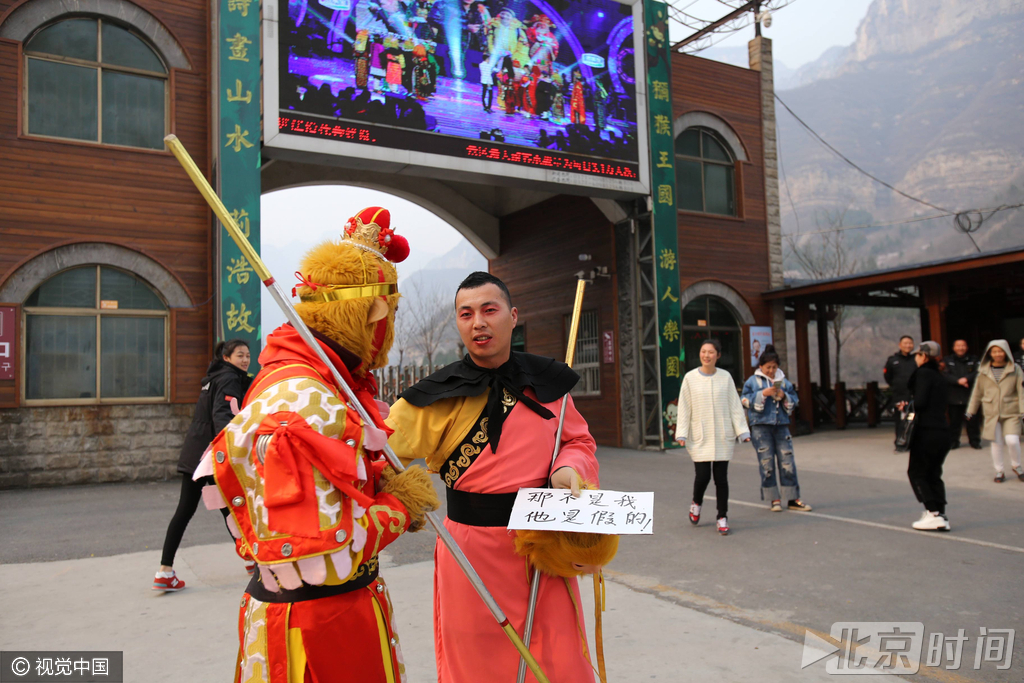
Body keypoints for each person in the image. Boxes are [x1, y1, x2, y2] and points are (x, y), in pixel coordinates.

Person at [198, 207, 439, 682]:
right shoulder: (301, 400)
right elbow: (321, 552)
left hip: (344, 612)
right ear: (372, 314)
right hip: (317, 631)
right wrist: (397, 504)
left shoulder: (320, 384)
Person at [385, 272, 606, 683]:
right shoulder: (437, 394)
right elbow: (377, 448)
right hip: (470, 552)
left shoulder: (550, 383)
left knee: (558, 661)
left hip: (545, 547)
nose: (478, 323)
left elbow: (578, 441)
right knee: (477, 663)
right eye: (466, 314)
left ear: (513, 316)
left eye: (489, 310)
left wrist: (568, 468)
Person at [153, 339, 251, 592]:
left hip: (194, 453)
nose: (245, 360)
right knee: (231, 509)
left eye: (248, 355)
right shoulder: (229, 379)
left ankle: (165, 571)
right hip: (210, 456)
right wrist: (228, 451)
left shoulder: (215, 377)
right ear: (227, 358)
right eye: (240, 355)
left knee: (187, 511)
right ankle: (253, 562)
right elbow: (222, 415)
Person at [675, 339, 750, 536]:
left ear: (718, 355)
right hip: (700, 436)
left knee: (721, 479)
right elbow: (684, 407)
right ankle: (696, 502)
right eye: (703, 351)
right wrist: (681, 432)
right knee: (702, 476)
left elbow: (735, 406)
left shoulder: (725, 378)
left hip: (721, 436)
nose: (706, 355)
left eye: (711, 352)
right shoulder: (690, 378)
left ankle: (722, 517)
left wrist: (742, 431)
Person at [740, 344, 812, 513]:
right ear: (761, 367)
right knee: (767, 463)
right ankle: (774, 499)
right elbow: (743, 399)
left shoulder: (784, 381)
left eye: (774, 367)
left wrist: (784, 396)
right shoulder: (752, 381)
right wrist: (762, 394)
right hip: (760, 426)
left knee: (787, 461)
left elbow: (795, 399)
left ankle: (793, 498)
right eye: (768, 367)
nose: (771, 371)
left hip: (781, 425)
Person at [904, 341, 952, 531]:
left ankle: (932, 512)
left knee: (917, 472)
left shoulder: (923, 373)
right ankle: (940, 513)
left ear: (923, 356)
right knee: (934, 473)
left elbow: (921, 401)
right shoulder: (940, 375)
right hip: (942, 429)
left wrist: (908, 405)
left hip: (926, 431)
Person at [966, 340, 1024, 483]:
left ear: (1006, 352)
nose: (998, 354)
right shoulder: (983, 370)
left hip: (1011, 410)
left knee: (1012, 440)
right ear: (989, 353)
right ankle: (999, 471)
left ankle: (1017, 466)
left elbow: (1021, 392)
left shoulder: (1015, 369)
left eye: (1001, 351)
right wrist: (971, 410)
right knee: (996, 442)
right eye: (994, 351)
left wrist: (1023, 411)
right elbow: (977, 392)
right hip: (991, 411)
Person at [942, 339, 981, 450]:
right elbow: (944, 374)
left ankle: (975, 441)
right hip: (954, 397)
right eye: (958, 346)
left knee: (972, 420)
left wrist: (966, 379)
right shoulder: (947, 360)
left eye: (963, 345)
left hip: (970, 397)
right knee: (955, 421)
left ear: (967, 347)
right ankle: (954, 441)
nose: (961, 348)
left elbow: (977, 372)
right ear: (953, 348)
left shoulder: (974, 360)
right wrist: (957, 381)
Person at [884, 335, 916, 440]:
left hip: (913, 395)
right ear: (900, 345)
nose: (908, 345)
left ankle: (912, 441)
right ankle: (900, 441)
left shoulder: (916, 359)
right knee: (901, 419)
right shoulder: (892, 361)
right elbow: (888, 377)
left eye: (910, 343)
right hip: (900, 396)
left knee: (912, 418)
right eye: (905, 343)